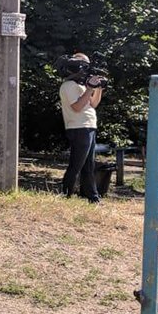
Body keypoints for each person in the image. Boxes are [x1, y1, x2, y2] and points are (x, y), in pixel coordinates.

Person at [58, 53, 105, 203]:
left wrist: (98, 87)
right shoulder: (68, 86)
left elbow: (93, 104)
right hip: (79, 127)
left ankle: (92, 197)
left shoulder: (80, 85)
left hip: (89, 126)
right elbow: (77, 107)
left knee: (88, 165)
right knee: (77, 164)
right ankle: (65, 194)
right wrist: (90, 88)